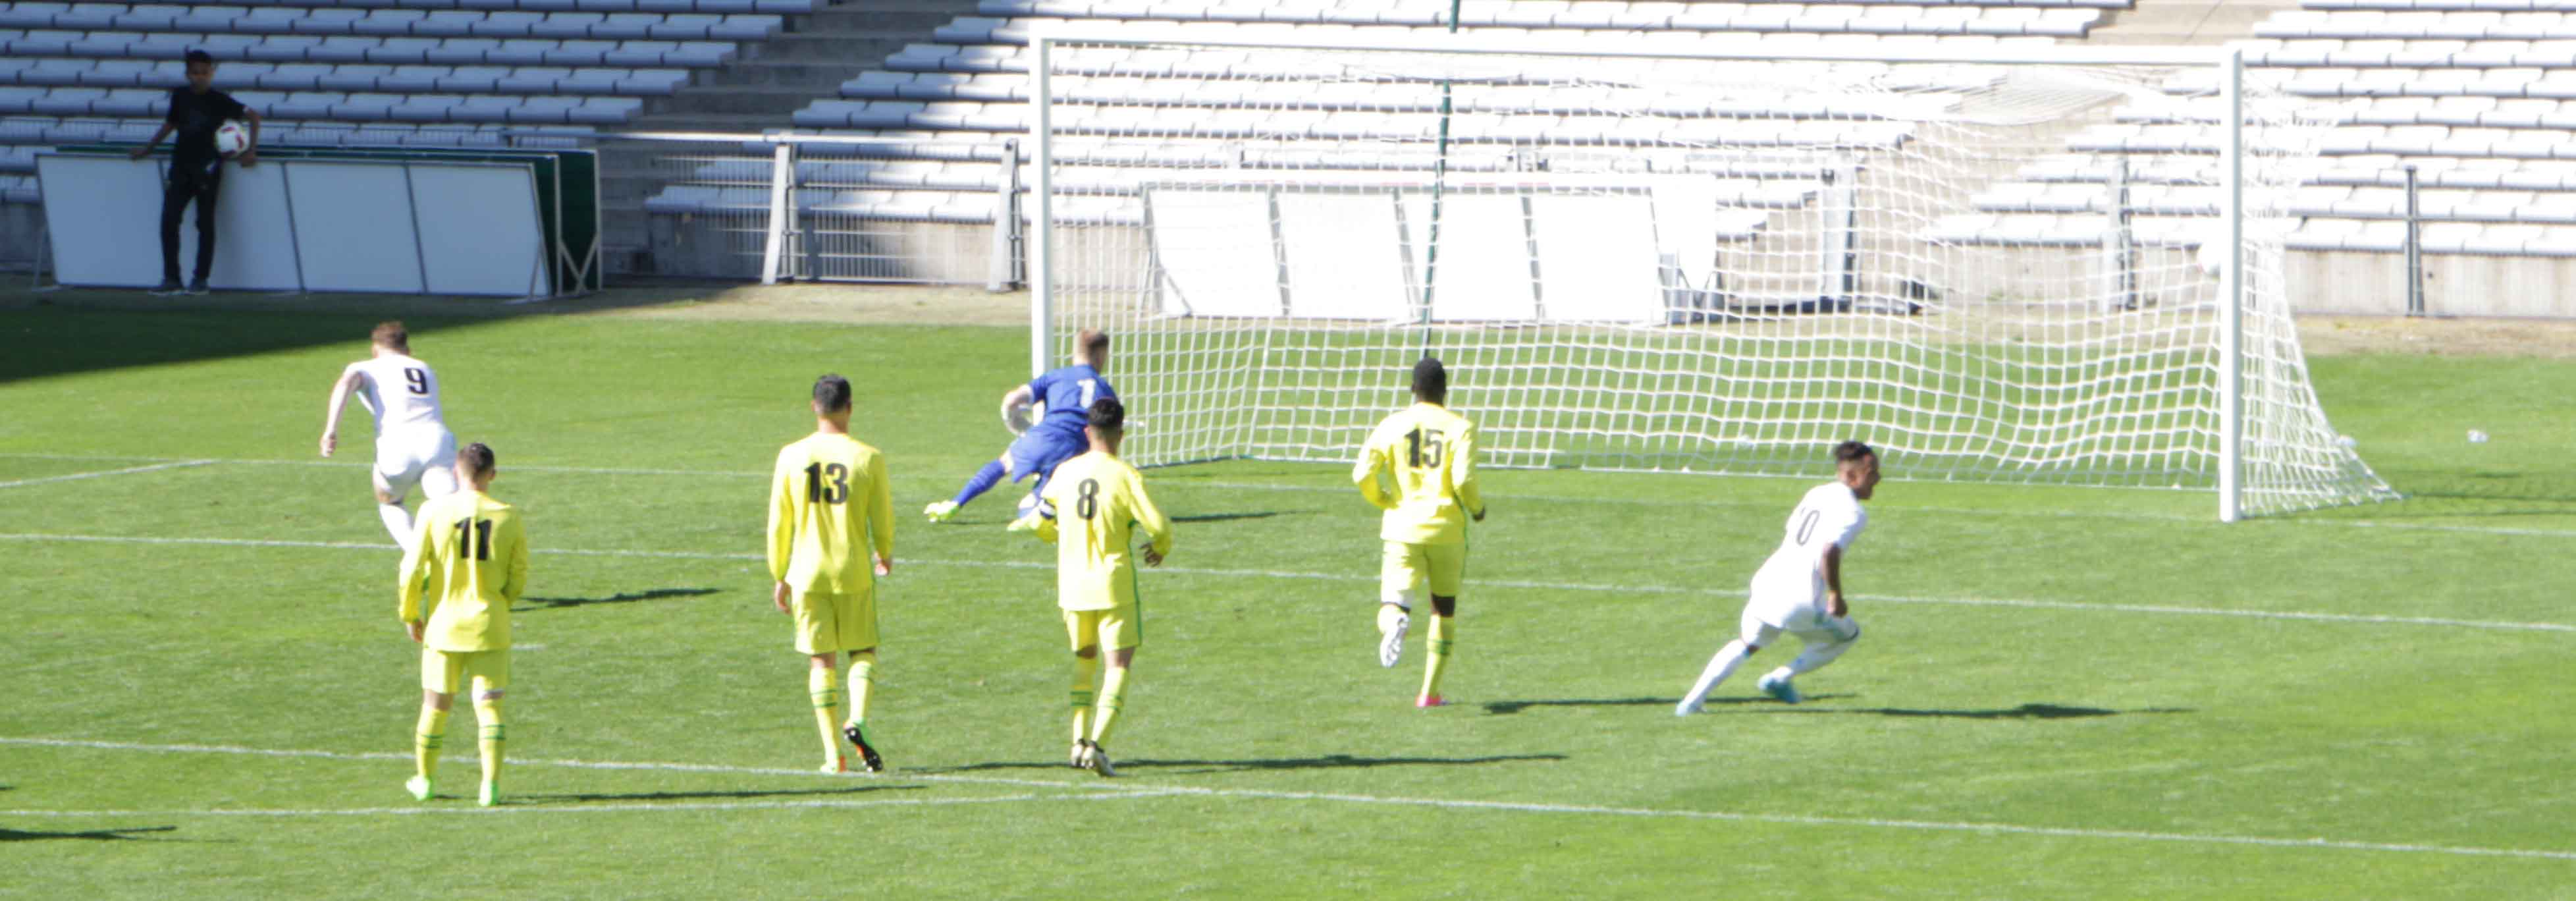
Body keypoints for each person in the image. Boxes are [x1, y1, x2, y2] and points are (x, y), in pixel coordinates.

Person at [1676, 440, 1881, 715]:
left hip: (1769, 581)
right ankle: (1780, 678)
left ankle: (1691, 702)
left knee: (1748, 643)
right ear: (1852, 475)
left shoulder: (1817, 493)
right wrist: (1835, 595)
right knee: (1847, 636)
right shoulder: (1854, 512)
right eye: (1872, 474)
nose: (1878, 479)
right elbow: (1829, 550)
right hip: (1801, 597)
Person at [1034, 398, 1171, 778]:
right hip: (1113, 584)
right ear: (1121, 435)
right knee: (1118, 665)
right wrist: (1160, 547)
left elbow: (1042, 520)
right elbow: (1158, 527)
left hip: (1073, 585)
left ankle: (1077, 742)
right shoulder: (1125, 475)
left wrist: (1057, 534)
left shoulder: (1064, 472)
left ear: (1086, 432)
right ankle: (1098, 745)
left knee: (1084, 660)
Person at [768, 374, 896, 773]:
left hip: (807, 572)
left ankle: (832, 756)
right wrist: (885, 551)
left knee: (821, 661)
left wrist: (779, 572)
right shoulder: (868, 457)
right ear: (850, 407)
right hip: (853, 569)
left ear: (814, 407)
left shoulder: (790, 456)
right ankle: (856, 720)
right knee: (863, 651)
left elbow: (778, 522)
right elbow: (883, 516)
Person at [397, 443, 527, 807]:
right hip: (490, 625)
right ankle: (490, 787)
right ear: (493, 475)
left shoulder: (433, 511)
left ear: (457, 472)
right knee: (489, 707)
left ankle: (425, 780)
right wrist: (502, 602)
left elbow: (410, 569)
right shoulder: (509, 516)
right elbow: (519, 575)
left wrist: (410, 613)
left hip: (444, 626)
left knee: (435, 706)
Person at [1352, 358, 1486, 709]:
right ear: (1445, 390)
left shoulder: (1393, 424)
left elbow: (1362, 473)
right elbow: (1462, 480)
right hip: (1447, 531)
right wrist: (1476, 509)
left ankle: (1395, 620)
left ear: (1413, 390)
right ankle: (1429, 693)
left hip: (1402, 528)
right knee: (1443, 610)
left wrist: (1381, 499)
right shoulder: (1460, 427)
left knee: (1393, 602)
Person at [924, 329, 1117, 530]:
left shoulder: (1055, 376)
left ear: (1075, 351)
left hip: (1040, 437)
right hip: (1071, 451)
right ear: (1101, 355)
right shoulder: (1106, 390)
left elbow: (1011, 400)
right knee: (1038, 500)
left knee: (1003, 463)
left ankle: (956, 502)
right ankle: (1030, 516)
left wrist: (1019, 426)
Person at [319, 321, 458, 555]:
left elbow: (345, 383)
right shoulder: (423, 367)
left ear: (375, 350)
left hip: (398, 445)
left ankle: (419, 558)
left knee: (389, 501)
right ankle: (465, 560)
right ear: (408, 350)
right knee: (448, 506)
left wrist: (331, 429)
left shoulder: (366, 367)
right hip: (437, 443)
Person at [128, 49, 259, 295]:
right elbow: (171, 124)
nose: (200, 77)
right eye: (195, 73)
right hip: (180, 166)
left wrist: (251, 150)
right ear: (188, 74)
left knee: (205, 223)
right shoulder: (180, 97)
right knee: (169, 220)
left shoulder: (221, 101)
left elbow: (253, 117)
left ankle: (200, 279)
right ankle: (171, 278)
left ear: (212, 73)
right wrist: (148, 148)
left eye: (204, 73)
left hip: (208, 168)